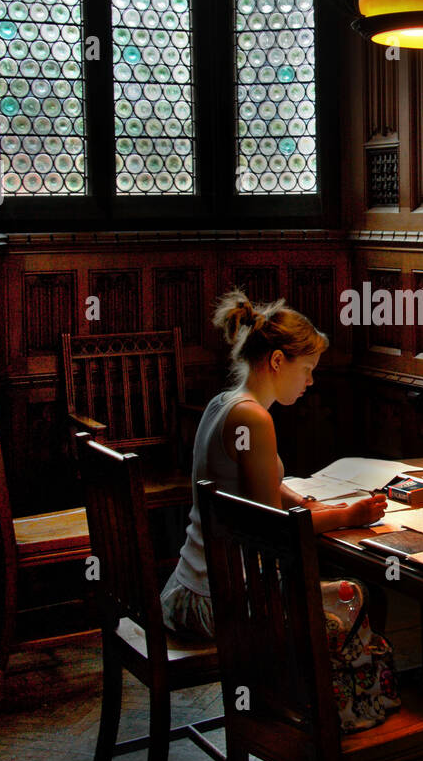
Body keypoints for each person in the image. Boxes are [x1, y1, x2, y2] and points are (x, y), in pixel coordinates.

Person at [160, 289, 400, 732]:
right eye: (306, 370)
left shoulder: (224, 404)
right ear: (276, 362)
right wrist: (347, 517)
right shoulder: (255, 420)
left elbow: (262, 490)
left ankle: (322, 710)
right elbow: (275, 532)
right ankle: (335, 723)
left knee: (341, 593)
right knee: (357, 595)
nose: (310, 383)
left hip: (188, 590)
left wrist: (304, 502)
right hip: (218, 605)